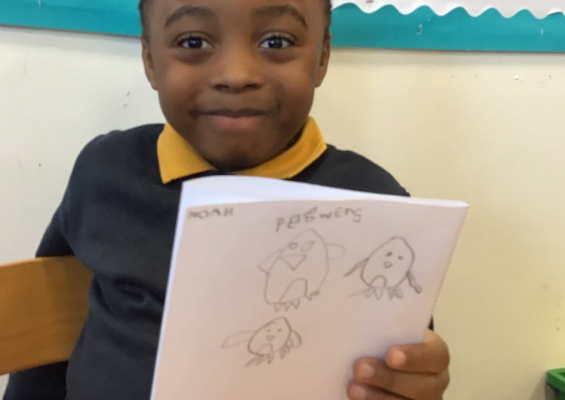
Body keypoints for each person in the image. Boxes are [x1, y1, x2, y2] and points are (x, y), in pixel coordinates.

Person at [4, 0, 450, 399]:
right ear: (150, 60)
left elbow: (402, 366)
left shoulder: (375, 205)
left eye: (276, 41)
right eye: (193, 42)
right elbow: (43, 327)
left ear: (321, 58)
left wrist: (411, 381)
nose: (236, 75)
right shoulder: (106, 171)